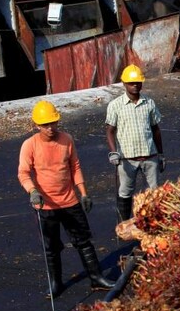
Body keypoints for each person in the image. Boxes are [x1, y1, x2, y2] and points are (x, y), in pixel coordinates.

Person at [18, 100, 115, 295]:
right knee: (51, 247)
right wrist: (32, 191)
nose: (50, 128)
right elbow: (23, 173)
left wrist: (84, 193)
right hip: (45, 205)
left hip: (70, 200)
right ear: (36, 125)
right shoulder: (30, 145)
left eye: (53, 123)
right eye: (45, 125)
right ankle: (56, 283)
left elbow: (75, 167)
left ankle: (96, 278)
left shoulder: (66, 140)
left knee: (84, 240)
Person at [105, 64, 164, 222]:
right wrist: (113, 152)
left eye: (138, 82)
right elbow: (110, 130)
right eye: (132, 83)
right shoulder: (115, 105)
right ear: (124, 84)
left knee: (154, 192)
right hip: (127, 158)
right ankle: (125, 223)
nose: (135, 85)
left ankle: (156, 223)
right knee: (125, 192)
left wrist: (161, 154)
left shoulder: (149, 103)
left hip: (150, 156)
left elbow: (156, 129)